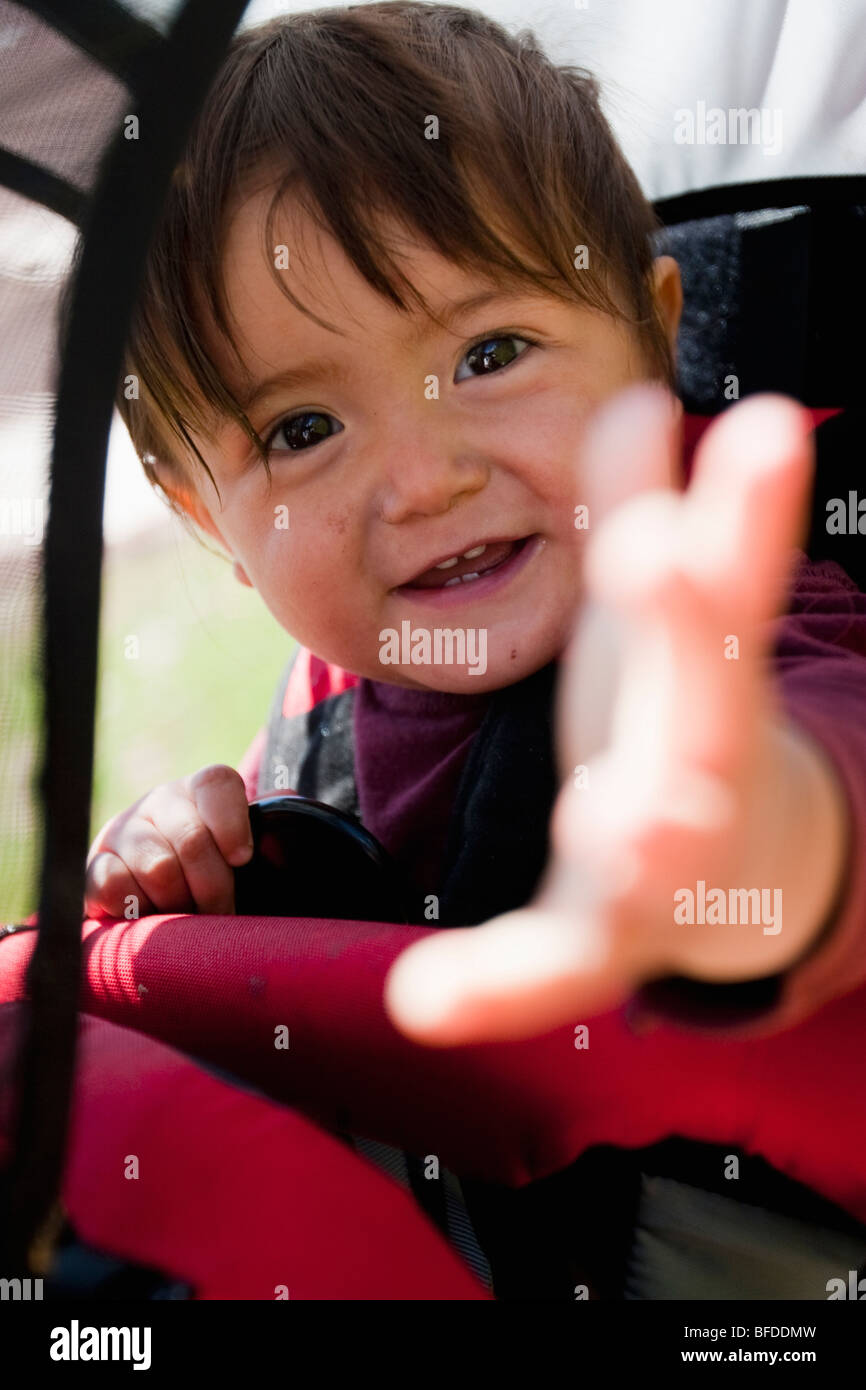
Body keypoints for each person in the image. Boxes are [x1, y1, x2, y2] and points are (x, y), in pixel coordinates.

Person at [81, 2, 866, 1293]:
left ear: (654, 337)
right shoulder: (324, 699)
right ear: (201, 518)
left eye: (491, 353)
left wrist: (745, 835)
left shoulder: (731, 624)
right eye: (299, 430)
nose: (424, 477)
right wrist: (192, 853)